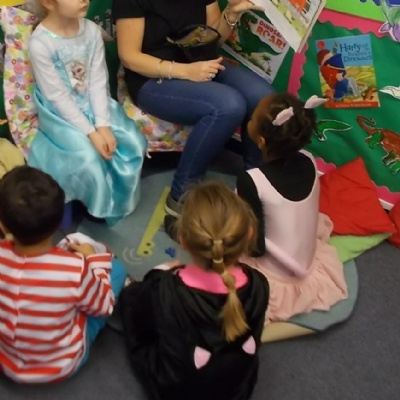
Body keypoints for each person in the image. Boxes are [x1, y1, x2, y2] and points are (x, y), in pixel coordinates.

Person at [113, 0, 276, 216]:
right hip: (152, 77)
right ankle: (180, 197)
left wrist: (231, 14)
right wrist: (185, 71)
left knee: (264, 98)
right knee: (229, 105)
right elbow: (129, 57)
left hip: (200, 62)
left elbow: (213, 38)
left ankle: (254, 183)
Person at [120, 180, 269, 400]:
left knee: (131, 298)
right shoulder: (259, 284)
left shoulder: (165, 288)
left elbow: (140, 315)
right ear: (249, 234)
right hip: (237, 392)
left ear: (182, 241)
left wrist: (158, 273)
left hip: (175, 392)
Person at [0, 166, 127, 383]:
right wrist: (93, 259)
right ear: (57, 223)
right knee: (117, 271)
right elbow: (103, 306)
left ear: (2, 225)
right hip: (62, 365)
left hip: (7, 361)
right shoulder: (74, 269)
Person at [27, 0, 148, 226]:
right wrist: (91, 133)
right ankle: (97, 205)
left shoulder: (91, 30)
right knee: (88, 157)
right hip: (61, 114)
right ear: (48, 3)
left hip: (94, 103)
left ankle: (119, 198)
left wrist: (102, 125)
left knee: (133, 141)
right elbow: (57, 97)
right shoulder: (40, 43)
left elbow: (98, 80)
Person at [236, 93, 348, 323]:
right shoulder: (309, 159)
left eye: (252, 117)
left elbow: (256, 248)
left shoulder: (252, 180)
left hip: (275, 274)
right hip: (306, 258)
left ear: (261, 142)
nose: (250, 119)